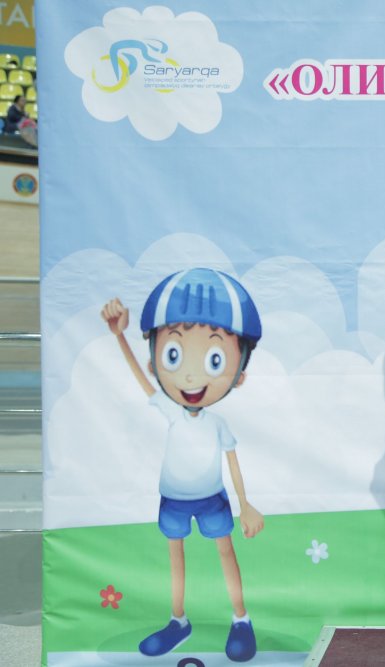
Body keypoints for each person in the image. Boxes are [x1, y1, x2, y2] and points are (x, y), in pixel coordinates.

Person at [101, 268, 264, 662]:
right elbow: (140, 379)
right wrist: (120, 336)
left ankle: (241, 619)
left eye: (214, 360)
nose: (190, 375)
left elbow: (233, 463)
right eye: (173, 355)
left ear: (239, 375)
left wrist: (245, 504)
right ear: (156, 362)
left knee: (225, 552)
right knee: (176, 556)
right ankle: (178, 621)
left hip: (212, 499)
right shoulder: (171, 410)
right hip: (173, 498)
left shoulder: (218, 423)